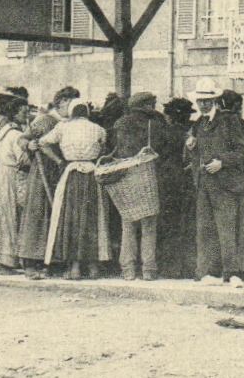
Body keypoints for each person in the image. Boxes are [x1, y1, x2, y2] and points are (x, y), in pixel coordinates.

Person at [190, 83, 244, 287]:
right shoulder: (198, 124)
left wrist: (222, 162)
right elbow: (194, 154)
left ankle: (232, 273)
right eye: (200, 101)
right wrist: (190, 146)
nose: (203, 105)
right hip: (204, 184)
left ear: (214, 101)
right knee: (206, 229)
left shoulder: (229, 121)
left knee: (226, 229)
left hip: (225, 184)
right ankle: (210, 272)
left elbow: (243, 152)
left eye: (207, 101)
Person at [41, 101, 110, 279]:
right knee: (92, 219)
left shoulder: (63, 127)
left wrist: (58, 160)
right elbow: (104, 148)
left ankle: (75, 267)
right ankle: (93, 267)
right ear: (87, 112)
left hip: (71, 174)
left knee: (71, 219)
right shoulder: (98, 129)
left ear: (72, 112)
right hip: (92, 175)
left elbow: (43, 143)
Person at [16, 87, 80, 278]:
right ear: (62, 102)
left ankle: (52, 262)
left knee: (57, 215)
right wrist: (29, 145)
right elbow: (22, 138)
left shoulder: (71, 122)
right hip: (42, 173)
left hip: (60, 172)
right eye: (70, 102)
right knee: (37, 214)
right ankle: (30, 262)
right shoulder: (45, 120)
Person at [110, 91, 170, 280]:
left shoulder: (120, 123)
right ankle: (148, 269)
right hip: (147, 174)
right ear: (147, 106)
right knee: (149, 223)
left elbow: (115, 149)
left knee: (128, 222)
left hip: (126, 175)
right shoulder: (155, 124)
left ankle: (128, 269)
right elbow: (164, 148)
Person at [0, 94, 34, 275]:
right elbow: (23, 160)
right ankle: (5, 263)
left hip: (1, 175)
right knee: (10, 217)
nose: (26, 116)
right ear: (15, 113)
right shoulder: (17, 135)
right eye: (24, 112)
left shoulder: (4, 132)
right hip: (11, 175)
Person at [156, 97, 198, 278]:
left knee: (169, 223)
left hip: (167, 180)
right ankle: (188, 267)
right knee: (187, 223)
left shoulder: (164, 132)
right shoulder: (192, 133)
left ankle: (169, 267)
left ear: (171, 116)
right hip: (187, 180)